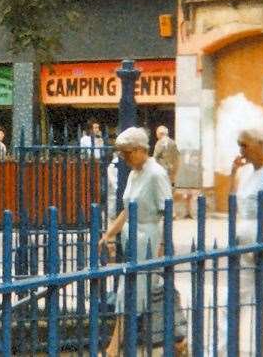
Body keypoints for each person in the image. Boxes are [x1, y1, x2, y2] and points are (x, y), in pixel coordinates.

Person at [210, 128, 263, 356]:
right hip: (242, 245)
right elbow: (233, 202)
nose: (242, 150)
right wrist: (234, 172)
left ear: (260, 144)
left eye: (245, 145)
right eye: (239, 144)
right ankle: (220, 351)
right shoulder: (247, 172)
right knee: (232, 299)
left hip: (262, 244)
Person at [97, 127, 173, 357]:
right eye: (121, 153)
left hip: (148, 237)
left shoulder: (156, 173)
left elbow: (166, 212)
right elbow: (127, 210)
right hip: (131, 238)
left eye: (127, 152)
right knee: (150, 290)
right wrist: (109, 233)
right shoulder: (133, 174)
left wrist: (162, 246)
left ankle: (113, 347)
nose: (124, 157)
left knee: (131, 291)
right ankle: (177, 338)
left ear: (141, 150)